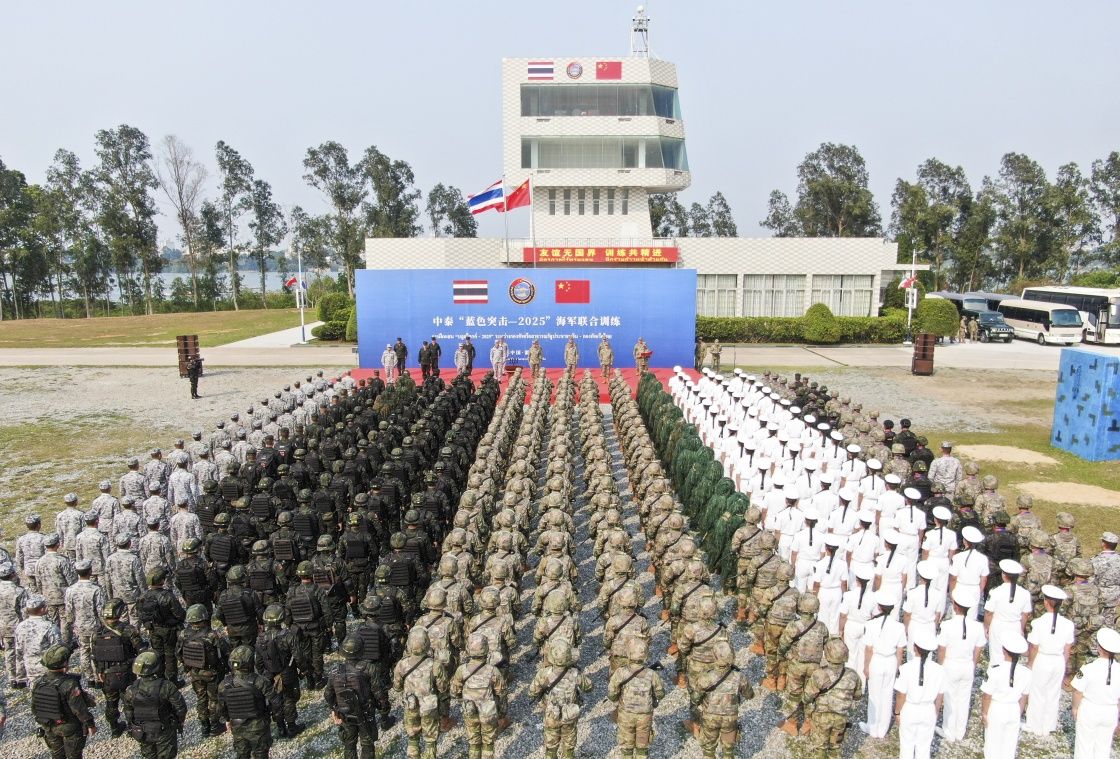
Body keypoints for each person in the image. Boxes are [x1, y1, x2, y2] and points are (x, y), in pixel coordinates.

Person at [528, 639, 593, 759]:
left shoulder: (543, 674)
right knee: (569, 744)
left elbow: (531, 692)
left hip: (551, 715)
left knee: (551, 744)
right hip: (570, 715)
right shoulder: (575, 673)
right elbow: (589, 687)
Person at [30, 644, 97, 759]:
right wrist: (90, 724)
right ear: (65, 664)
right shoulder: (70, 684)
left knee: (57, 756)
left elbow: (35, 708)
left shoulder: (39, 683)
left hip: (49, 727)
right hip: (70, 727)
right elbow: (79, 709)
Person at [1024, 585, 1074, 736]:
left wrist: (1030, 663)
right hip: (1058, 660)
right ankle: (1048, 725)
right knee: (1053, 693)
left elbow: (1034, 646)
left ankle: (1034, 725)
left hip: (1043, 658)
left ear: (1046, 602)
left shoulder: (1038, 623)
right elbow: (1067, 648)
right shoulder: (1068, 624)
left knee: (1037, 692)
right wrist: (1063, 663)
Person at [392, 627, 449, 759]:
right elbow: (442, 688)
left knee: (412, 736)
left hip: (410, 705)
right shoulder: (435, 665)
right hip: (429, 707)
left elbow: (397, 687)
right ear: (427, 643)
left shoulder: (401, 664)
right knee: (430, 738)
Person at [324, 634, 383, 759]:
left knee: (349, 745)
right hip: (365, 714)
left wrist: (335, 709)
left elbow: (328, 694)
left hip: (345, 714)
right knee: (367, 745)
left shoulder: (334, 671)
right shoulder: (369, 668)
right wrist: (383, 706)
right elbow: (378, 691)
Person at [450, 633, 507, 759]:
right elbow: (502, 693)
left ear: (469, 649)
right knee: (488, 742)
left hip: (469, 710)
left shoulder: (461, 670)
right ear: (486, 649)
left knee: (474, 742)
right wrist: (502, 713)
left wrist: (462, 698)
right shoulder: (493, 670)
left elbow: (454, 692)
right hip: (488, 711)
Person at [92, 598, 144, 737]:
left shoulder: (97, 633)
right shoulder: (128, 630)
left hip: (107, 675)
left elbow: (95, 656)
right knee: (129, 701)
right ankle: (132, 728)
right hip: (126, 672)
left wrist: (99, 671)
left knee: (111, 703)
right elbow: (140, 649)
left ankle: (114, 728)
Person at [122, 650, 188, 759]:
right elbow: (181, 708)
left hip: (143, 731)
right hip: (164, 730)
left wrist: (132, 726)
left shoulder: (131, 689)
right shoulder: (166, 686)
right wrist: (178, 722)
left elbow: (128, 711)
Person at [607, 638, 664, 759]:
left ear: (628, 653)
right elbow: (660, 694)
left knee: (626, 744)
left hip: (626, 714)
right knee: (642, 745)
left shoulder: (620, 673)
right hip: (645, 715)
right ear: (645, 655)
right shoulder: (652, 674)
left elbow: (611, 694)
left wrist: (617, 699)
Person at [179, 603, 230, 737]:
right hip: (211, 673)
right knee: (214, 699)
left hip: (194, 673)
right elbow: (225, 651)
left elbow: (178, 653)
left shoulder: (183, 634)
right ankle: (215, 726)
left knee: (201, 698)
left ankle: (204, 727)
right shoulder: (212, 635)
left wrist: (187, 667)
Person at [894, 630, 944, 759]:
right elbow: (940, 695)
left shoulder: (906, 668)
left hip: (910, 709)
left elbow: (901, 695)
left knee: (907, 745)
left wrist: (897, 712)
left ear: (915, 648)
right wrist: (935, 712)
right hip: (928, 709)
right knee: (924, 746)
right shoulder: (939, 670)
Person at [1071, 627, 1120, 759]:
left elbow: (1077, 691)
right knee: (1103, 748)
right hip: (1110, 711)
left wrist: (1075, 708)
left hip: (1090, 709)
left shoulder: (1088, 668)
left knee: (1084, 746)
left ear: (1099, 648)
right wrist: (1117, 715)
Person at [980, 634, 1032, 759]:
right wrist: (1018, 713)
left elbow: (987, 695)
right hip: (1014, 708)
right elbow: (1024, 697)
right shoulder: (1027, 673)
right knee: (1009, 745)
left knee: (993, 745)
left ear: (1004, 651)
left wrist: (984, 713)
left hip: (997, 707)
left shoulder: (995, 670)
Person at [218, 645, 274, 759]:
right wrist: (271, 716)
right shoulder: (260, 681)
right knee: (261, 754)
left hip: (237, 726)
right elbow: (275, 701)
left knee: (242, 754)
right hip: (259, 726)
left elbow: (221, 707)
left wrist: (227, 720)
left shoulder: (224, 684)